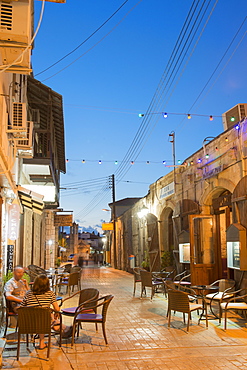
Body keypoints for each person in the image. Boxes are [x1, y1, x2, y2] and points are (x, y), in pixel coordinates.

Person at [21, 274, 73, 350]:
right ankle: (64, 328)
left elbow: (22, 307)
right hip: (44, 323)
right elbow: (57, 309)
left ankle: (62, 328)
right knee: (48, 316)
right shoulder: (50, 294)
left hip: (29, 323)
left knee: (45, 316)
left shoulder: (28, 293)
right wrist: (56, 313)